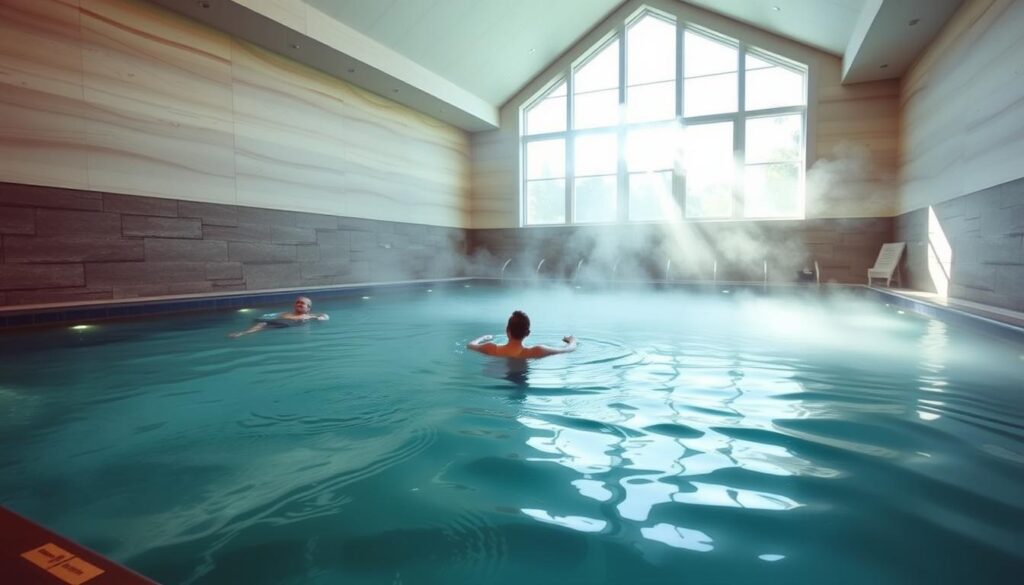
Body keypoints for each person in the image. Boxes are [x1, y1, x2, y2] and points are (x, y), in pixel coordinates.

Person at [468, 310, 577, 358]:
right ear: (527, 333)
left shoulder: (491, 348)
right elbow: (568, 349)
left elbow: (470, 345)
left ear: (507, 330)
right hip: (521, 379)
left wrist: (483, 338)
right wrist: (572, 340)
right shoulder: (535, 351)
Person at [229, 296, 329, 338]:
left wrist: (322, 318)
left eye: (302, 303)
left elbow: (324, 315)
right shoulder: (286, 312)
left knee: (263, 324)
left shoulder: (309, 315)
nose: (299, 304)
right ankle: (245, 333)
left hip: (291, 323)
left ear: (308, 308)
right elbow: (273, 315)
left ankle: (242, 333)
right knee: (261, 322)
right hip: (280, 321)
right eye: (297, 303)